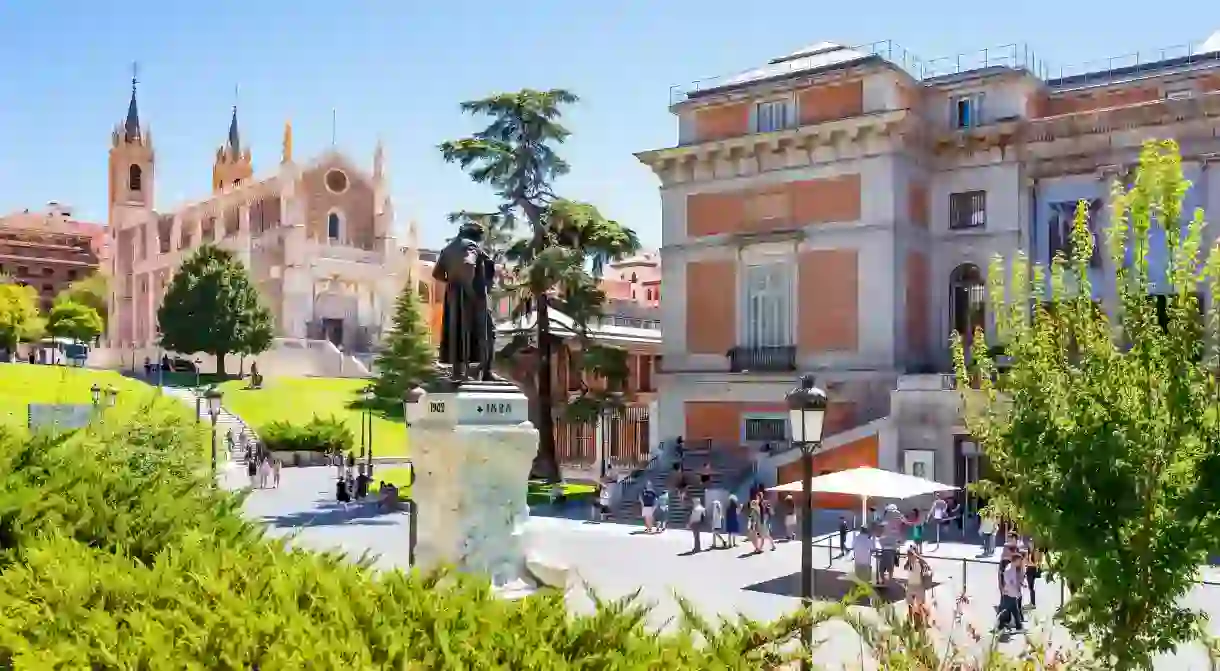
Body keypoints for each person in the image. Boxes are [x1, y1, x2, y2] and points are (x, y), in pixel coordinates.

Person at [904, 544, 932, 629]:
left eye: (912, 552)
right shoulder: (908, 562)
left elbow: (926, 564)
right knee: (910, 605)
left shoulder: (919, 561)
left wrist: (917, 557)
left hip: (919, 585)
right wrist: (909, 559)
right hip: (911, 585)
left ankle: (922, 622)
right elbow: (905, 567)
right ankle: (910, 622)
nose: (910, 554)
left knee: (921, 605)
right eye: (909, 553)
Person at [997, 551, 1026, 632]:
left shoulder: (1013, 568)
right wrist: (1013, 585)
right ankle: (1001, 626)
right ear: (1016, 560)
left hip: (1012, 594)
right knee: (1005, 611)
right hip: (1008, 594)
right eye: (1019, 561)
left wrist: (1021, 584)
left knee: (1015, 611)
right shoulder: (1009, 568)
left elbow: (1015, 580)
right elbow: (1007, 579)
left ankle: (1018, 627)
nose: (1020, 563)